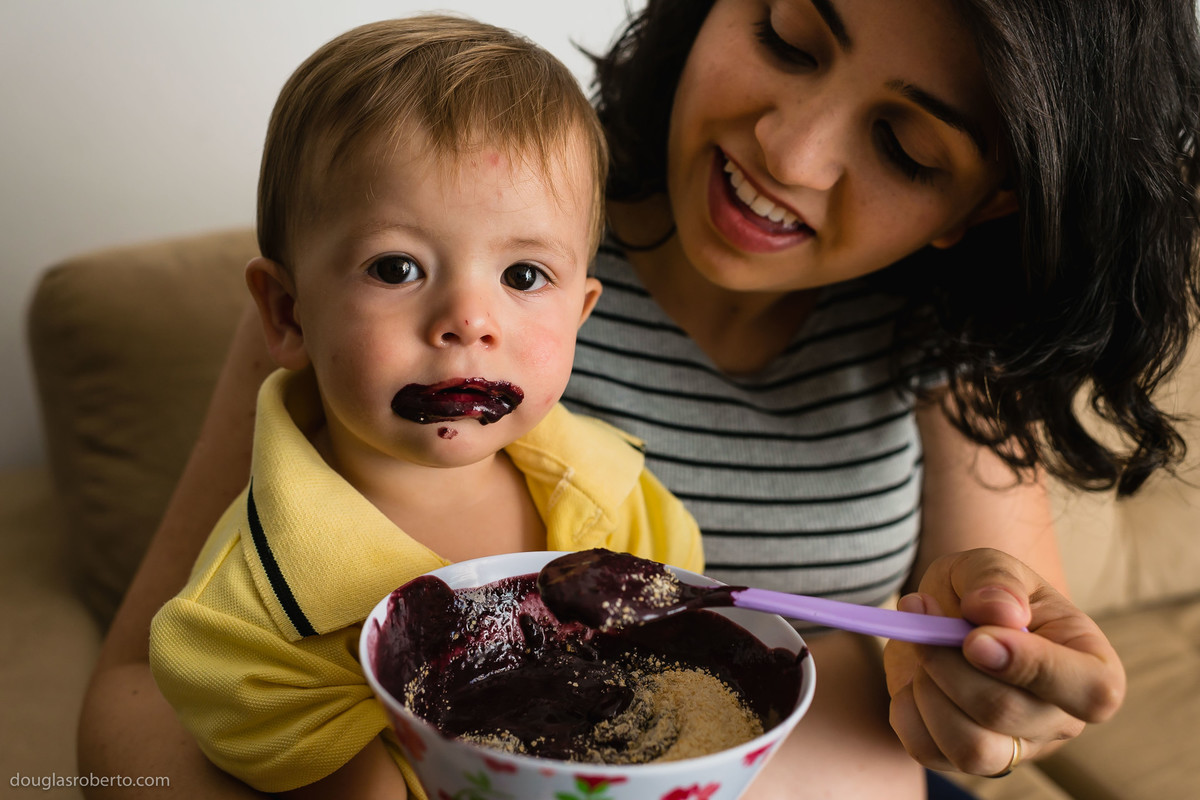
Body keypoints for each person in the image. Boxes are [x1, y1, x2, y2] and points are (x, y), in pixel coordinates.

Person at [78, 1, 1200, 798]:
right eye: (787, 38)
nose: (790, 154)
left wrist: (984, 694)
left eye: (904, 144)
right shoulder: (437, 233)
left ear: (987, 200)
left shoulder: (943, 338)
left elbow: (999, 695)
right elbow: (133, 701)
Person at [142, 15, 702, 800]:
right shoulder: (245, 620)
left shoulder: (622, 503)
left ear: (582, 313)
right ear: (287, 314)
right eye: (398, 266)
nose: (469, 320)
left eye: (524, 277)